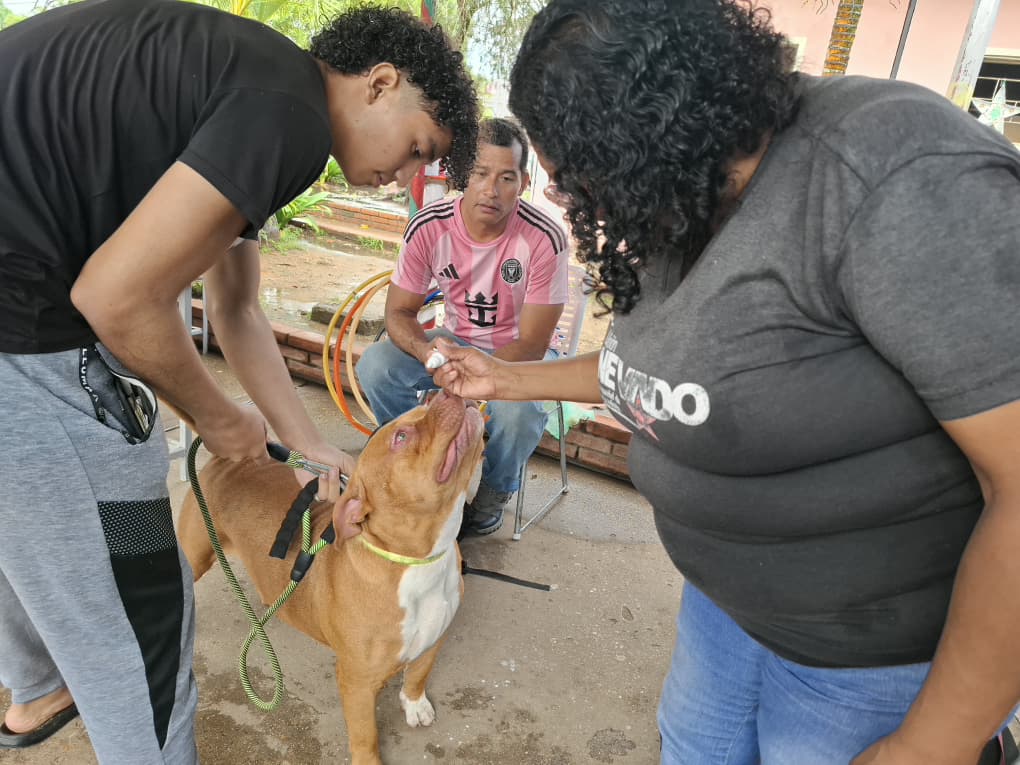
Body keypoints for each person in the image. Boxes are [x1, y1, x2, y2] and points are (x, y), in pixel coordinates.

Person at [430, 1, 1020, 763]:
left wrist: (935, 740)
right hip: (725, 612)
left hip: (868, 654)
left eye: (577, 173)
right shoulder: (686, 187)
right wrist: (507, 378)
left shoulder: (891, 178)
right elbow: (666, 381)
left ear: (646, 133)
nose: (569, 200)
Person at [0, 1, 477, 761]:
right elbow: (115, 299)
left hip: (20, 296)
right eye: (420, 148)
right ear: (381, 83)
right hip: (20, 322)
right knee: (143, 614)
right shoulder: (288, 116)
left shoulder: (249, 81)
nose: (408, 178)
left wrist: (303, 441)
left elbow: (236, 307)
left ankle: (35, 687)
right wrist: (221, 420)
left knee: (34, 525)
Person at [356, 117, 570, 536]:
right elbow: (399, 313)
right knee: (377, 366)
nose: (491, 190)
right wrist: (431, 355)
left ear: (523, 182)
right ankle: (420, 461)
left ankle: (495, 488)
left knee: (520, 411)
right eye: (480, 173)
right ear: (461, 174)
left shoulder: (545, 237)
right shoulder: (429, 226)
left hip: (518, 350)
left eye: (506, 178)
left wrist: (470, 378)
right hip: (451, 343)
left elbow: (533, 342)